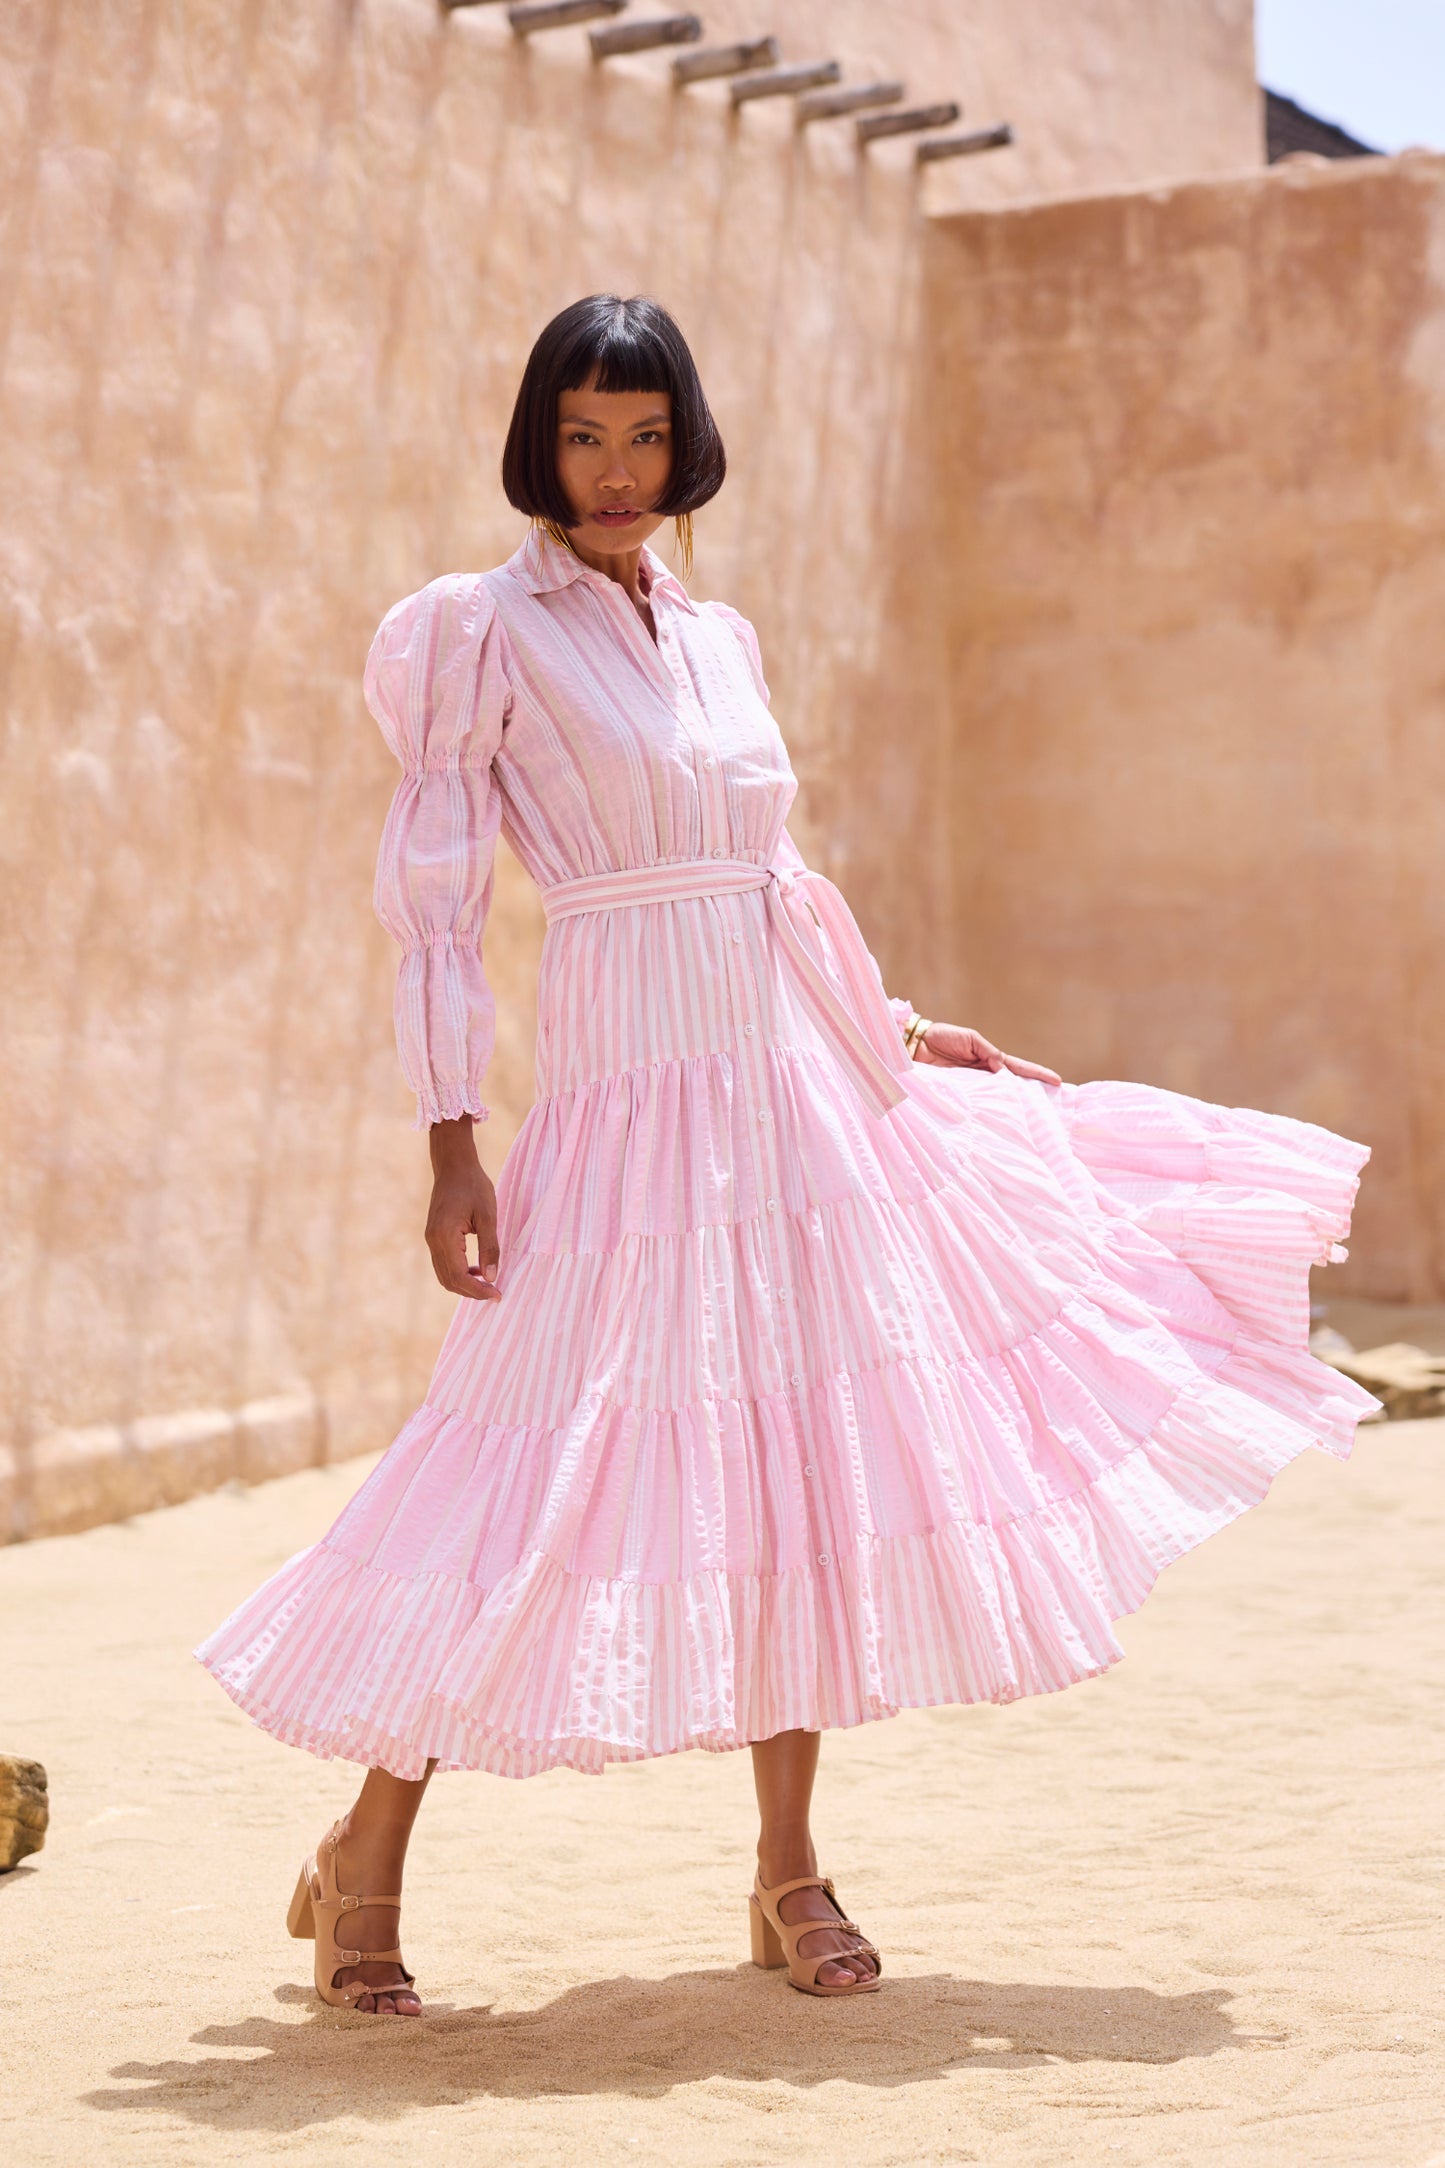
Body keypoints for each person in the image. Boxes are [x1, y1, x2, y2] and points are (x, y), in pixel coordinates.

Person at [197, 293, 1379, 2015]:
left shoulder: (719, 641)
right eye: (584, 436)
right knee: (516, 1478)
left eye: (645, 436)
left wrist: (893, 1028)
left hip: (783, 1106)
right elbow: (434, 915)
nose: (615, 472)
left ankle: (785, 1870)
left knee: (797, 1465)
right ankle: (360, 1857)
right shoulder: (470, 632)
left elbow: (770, 887)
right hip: (620, 1113)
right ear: (539, 444)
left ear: (687, 448)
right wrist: (450, 1143)